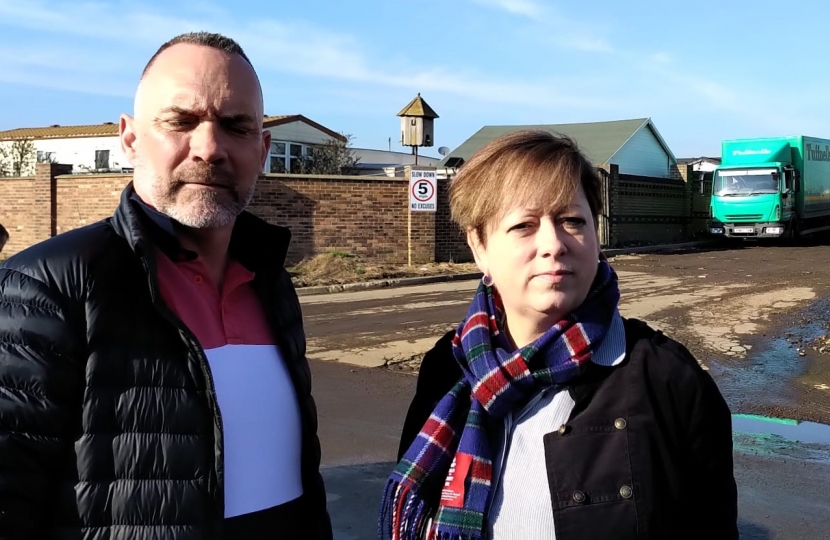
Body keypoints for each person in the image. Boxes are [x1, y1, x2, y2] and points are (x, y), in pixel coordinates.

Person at [0, 32, 331, 539]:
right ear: (130, 139)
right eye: (181, 121)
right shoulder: (47, 287)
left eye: (236, 126)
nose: (211, 148)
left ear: (262, 149)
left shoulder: (271, 283)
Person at [380, 130, 738, 540]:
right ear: (479, 247)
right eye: (524, 225)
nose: (553, 243)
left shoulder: (668, 379)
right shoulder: (447, 367)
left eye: (572, 220)